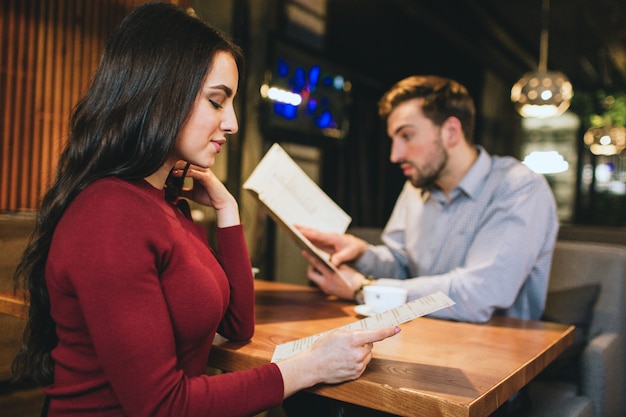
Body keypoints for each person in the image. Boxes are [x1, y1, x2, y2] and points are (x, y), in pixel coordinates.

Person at [11, 3, 400, 417]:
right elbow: (163, 406)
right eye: (217, 101)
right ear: (159, 94)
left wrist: (227, 210)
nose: (231, 123)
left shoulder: (166, 203)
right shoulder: (110, 213)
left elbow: (237, 325)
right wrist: (308, 368)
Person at [299, 75, 559, 324]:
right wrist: (361, 253)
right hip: (422, 335)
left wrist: (366, 289)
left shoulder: (519, 188)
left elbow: (480, 294)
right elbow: (401, 266)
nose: (395, 155)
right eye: (393, 139)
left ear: (451, 132)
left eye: (407, 136)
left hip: (503, 354)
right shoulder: (415, 186)